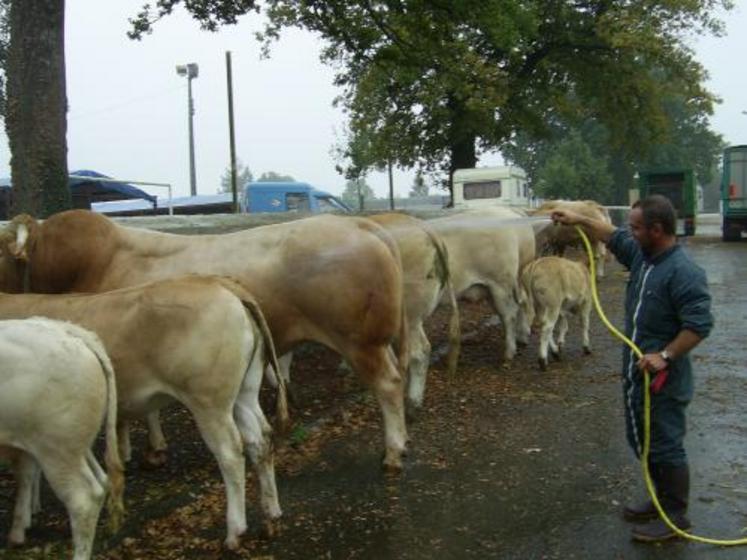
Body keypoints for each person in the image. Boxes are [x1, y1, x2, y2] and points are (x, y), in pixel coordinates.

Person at [551, 195, 713, 542]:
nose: (630, 232)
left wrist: (665, 356)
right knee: (642, 438)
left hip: (664, 378)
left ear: (657, 230)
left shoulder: (683, 272)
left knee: (665, 442)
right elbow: (611, 234)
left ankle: (675, 515)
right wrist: (577, 218)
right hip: (637, 373)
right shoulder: (643, 256)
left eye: (636, 227)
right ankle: (659, 499)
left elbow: (698, 324)